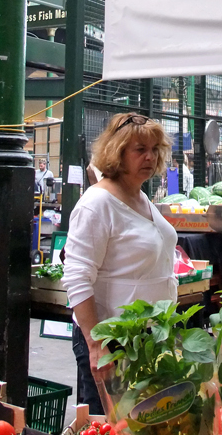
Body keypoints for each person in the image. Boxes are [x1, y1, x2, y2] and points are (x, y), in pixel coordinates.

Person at [62, 113, 177, 417]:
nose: (150, 156)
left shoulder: (140, 197)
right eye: (140, 149)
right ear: (117, 151)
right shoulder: (97, 203)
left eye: (155, 149)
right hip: (112, 342)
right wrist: (96, 343)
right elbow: (76, 277)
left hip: (147, 340)